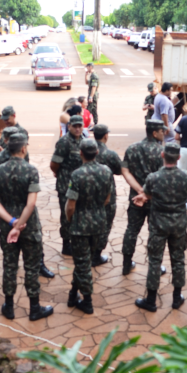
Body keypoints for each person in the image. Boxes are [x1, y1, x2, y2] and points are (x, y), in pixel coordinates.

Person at [0, 133, 54, 320]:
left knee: (9, 264)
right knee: (32, 267)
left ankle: (9, 307)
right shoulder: (31, 171)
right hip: (30, 226)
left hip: (7, 226)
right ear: (24, 148)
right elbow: (31, 204)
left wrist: (12, 223)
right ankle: (34, 308)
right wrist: (20, 226)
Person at [131, 142, 187, 311]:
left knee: (155, 261)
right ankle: (176, 296)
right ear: (179, 157)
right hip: (179, 223)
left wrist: (144, 198)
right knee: (178, 259)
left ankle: (150, 300)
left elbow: (149, 194)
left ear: (162, 155)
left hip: (158, 224)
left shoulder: (153, 177)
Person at [65, 139, 112, 314]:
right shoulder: (106, 171)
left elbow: (71, 205)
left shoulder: (77, 174)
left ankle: (87, 301)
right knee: (84, 261)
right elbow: (107, 199)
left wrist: (70, 219)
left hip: (80, 225)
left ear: (81, 153)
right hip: (99, 222)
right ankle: (72, 293)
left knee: (82, 263)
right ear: (97, 153)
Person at [121, 119, 167, 275]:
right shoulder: (162, 152)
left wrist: (140, 191)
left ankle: (126, 264)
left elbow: (125, 171)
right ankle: (155, 266)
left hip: (136, 199)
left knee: (131, 230)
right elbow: (163, 179)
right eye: (162, 131)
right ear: (154, 133)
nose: (164, 132)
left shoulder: (132, 148)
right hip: (155, 201)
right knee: (155, 233)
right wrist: (147, 194)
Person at [51, 115, 84, 256]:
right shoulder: (64, 142)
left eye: (79, 126)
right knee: (66, 215)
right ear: (69, 126)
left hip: (80, 184)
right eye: (74, 126)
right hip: (66, 184)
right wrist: (60, 174)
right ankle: (66, 244)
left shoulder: (84, 141)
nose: (77, 129)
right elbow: (54, 164)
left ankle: (76, 240)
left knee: (78, 213)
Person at [94, 124, 120, 266]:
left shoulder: (86, 150)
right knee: (105, 224)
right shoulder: (110, 154)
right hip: (107, 195)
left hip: (89, 193)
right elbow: (120, 170)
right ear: (106, 135)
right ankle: (96, 254)